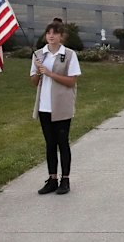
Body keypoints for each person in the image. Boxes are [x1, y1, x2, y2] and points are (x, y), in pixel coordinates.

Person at [31, 18, 81, 195]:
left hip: (62, 105)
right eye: (48, 33)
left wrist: (51, 73)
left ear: (61, 36)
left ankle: (65, 180)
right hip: (45, 106)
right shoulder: (39, 54)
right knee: (50, 143)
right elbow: (34, 81)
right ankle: (52, 178)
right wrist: (38, 71)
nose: (51, 36)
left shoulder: (68, 55)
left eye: (55, 33)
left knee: (62, 141)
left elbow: (71, 81)